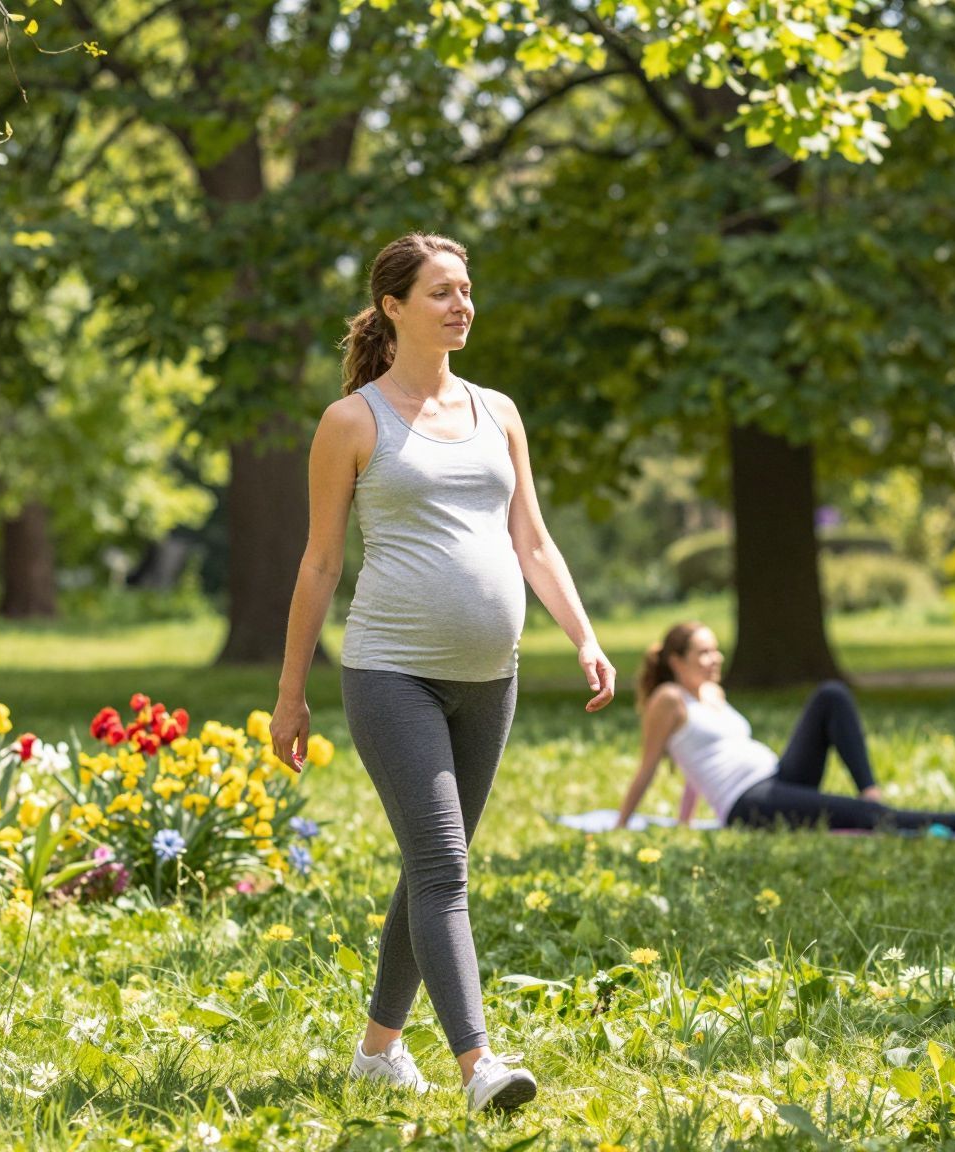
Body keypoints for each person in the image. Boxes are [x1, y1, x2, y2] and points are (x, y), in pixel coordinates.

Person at [268, 233, 617, 1113]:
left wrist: (583, 636)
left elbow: (531, 540)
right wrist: (290, 694)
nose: (461, 305)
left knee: (430, 868)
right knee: (444, 866)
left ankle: (379, 1050)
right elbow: (318, 565)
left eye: (466, 291)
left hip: (488, 677)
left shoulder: (499, 411)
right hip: (391, 673)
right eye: (441, 293)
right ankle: (478, 1066)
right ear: (393, 307)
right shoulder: (353, 422)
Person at [616, 622, 955, 835]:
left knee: (830, 694)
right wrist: (620, 827)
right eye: (704, 651)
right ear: (676, 660)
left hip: (776, 780)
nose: (716, 657)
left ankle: (871, 790)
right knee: (859, 816)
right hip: (749, 804)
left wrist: (686, 821)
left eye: (715, 648)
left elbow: (698, 766)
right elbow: (649, 766)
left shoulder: (711, 694)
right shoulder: (667, 700)